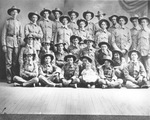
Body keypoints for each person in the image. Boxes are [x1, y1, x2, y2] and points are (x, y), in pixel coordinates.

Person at [2, 6, 23, 83]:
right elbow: (3, 34)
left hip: (16, 44)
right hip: (9, 43)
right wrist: (4, 45)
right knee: (9, 62)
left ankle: (14, 77)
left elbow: (20, 34)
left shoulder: (19, 22)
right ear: (10, 13)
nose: (14, 13)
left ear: (17, 13)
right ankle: (9, 78)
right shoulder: (7, 22)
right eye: (13, 12)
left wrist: (19, 39)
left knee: (15, 62)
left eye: (16, 12)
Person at [137, 16, 150, 80]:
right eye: (141, 22)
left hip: (147, 52)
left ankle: (148, 79)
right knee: (140, 66)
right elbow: (137, 42)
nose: (142, 23)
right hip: (139, 51)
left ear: (147, 23)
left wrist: (149, 52)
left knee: (147, 67)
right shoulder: (139, 32)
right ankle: (142, 78)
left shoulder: (149, 31)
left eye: (144, 22)